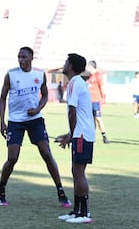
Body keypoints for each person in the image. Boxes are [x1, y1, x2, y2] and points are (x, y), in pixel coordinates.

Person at [0, 46, 71, 208]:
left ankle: (60, 191)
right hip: (15, 121)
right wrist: (2, 121)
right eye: (19, 57)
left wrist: (37, 109)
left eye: (24, 57)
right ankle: (1, 190)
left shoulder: (39, 74)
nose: (21, 60)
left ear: (31, 57)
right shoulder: (11, 75)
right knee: (12, 158)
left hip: (35, 120)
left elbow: (45, 95)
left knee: (46, 153)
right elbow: (2, 98)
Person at [56, 53, 95, 224]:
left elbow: (72, 111)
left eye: (65, 62)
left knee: (79, 172)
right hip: (81, 133)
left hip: (82, 135)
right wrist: (70, 134)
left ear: (70, 66)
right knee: (75, 171)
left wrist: (72, 135)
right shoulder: (78, 83)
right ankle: (77, 211)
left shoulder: (74, 83)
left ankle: (85, 214)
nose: (63, 65)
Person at [86, 60, 110, 144]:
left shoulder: (98, 75)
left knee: (98, 118)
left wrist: (103, 97)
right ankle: (92, 136)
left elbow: (102, 86)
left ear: (91, 66)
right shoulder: (89, 76)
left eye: (88, 66)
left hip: (96, 100)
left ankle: (104, 136)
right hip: (89, 101)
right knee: (91, 119)